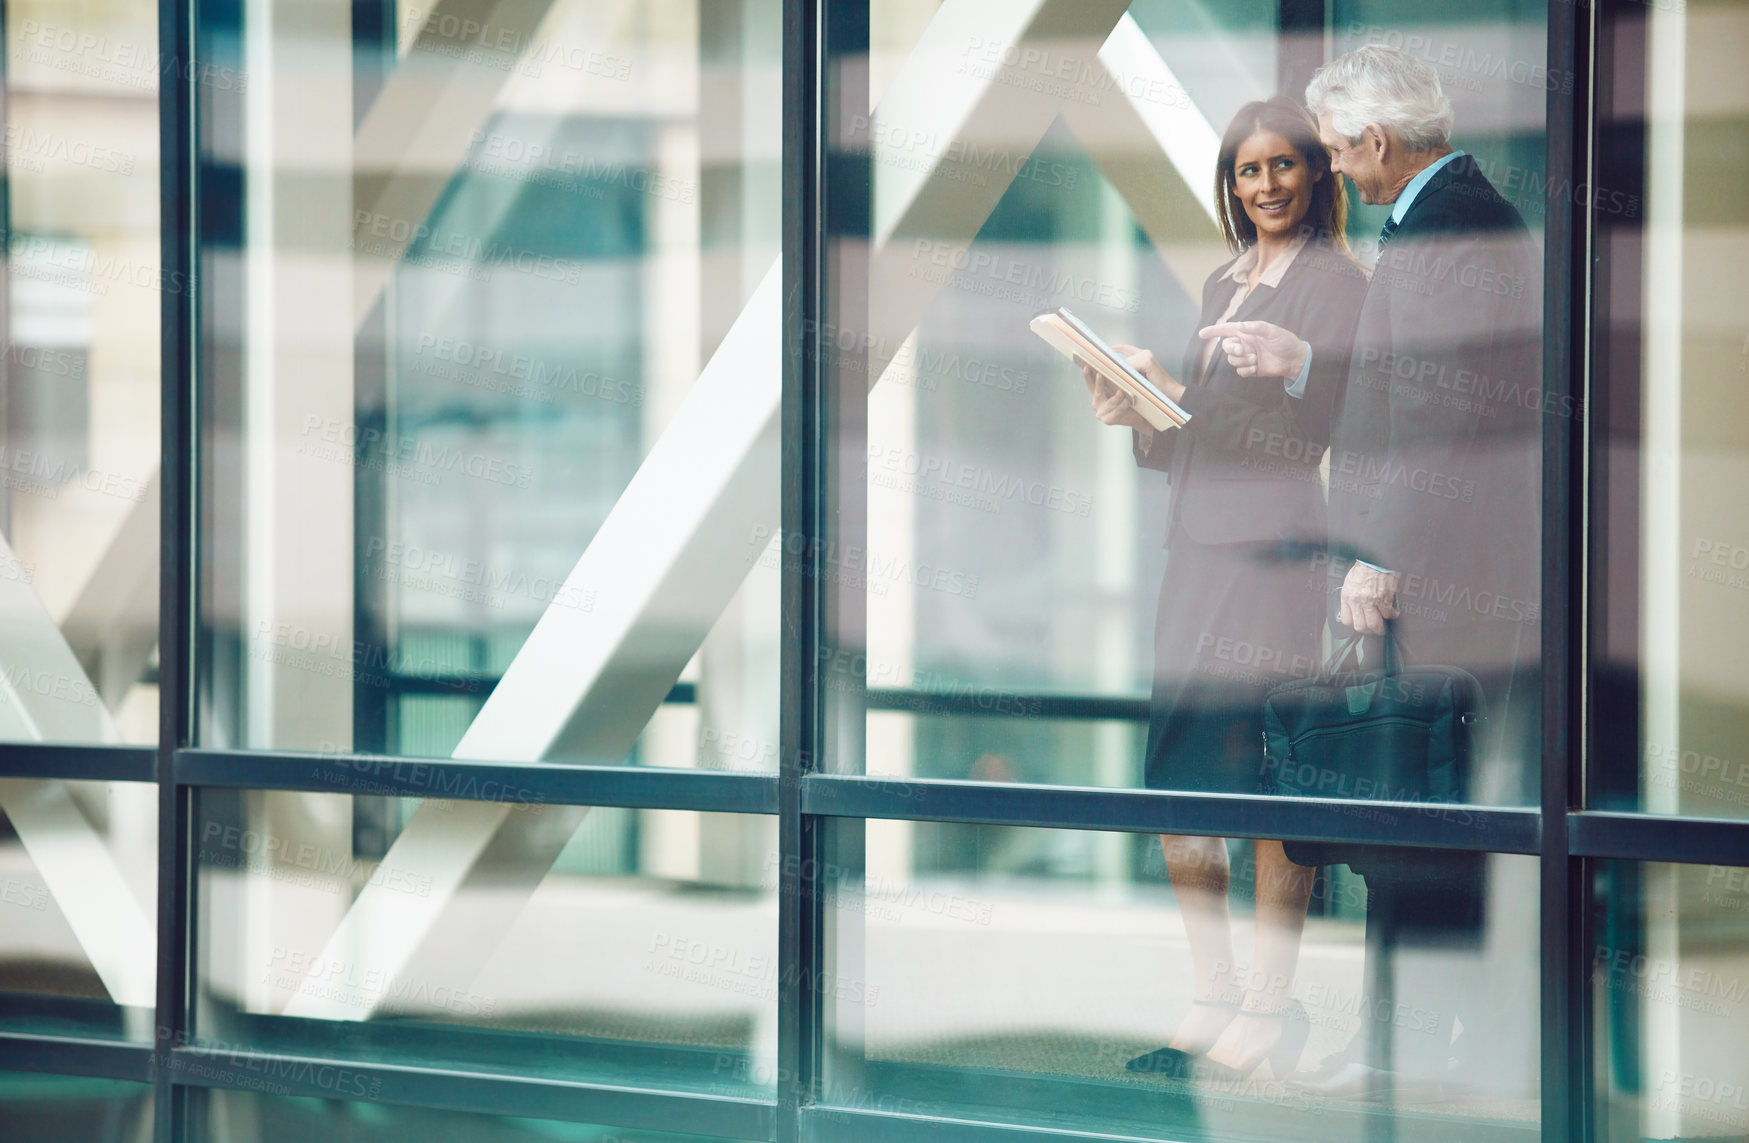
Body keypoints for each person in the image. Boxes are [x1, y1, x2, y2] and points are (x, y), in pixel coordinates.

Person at [1208, 45, 1541, 1098]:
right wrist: (1306, 366)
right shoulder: (1458, 215)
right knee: (1428, 809)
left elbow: (1437, 420)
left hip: (1438, 574)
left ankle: (1399, 1050)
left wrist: (1380, 555)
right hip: (1455, 569)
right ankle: (1426, 1044)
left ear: (1380, 143)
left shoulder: (1447, 227)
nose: (1338, 174)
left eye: (1344, 153)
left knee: (1415, 815)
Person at [1081, 96, 1369, 1083]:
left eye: (1284, 166)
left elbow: (1328, 425)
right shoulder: (1223, 279)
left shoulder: (1337, 285)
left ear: (1317, 174)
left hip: (1273, 555)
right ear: (1230, 184)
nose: (1266, 186)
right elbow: (1202, 438)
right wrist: (1143, 409)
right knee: (1182, 771)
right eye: (1248, 171)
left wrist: (1293, 372)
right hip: (1196, 548)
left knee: (1259, 775)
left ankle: (1268, 1006)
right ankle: (1209, 995)